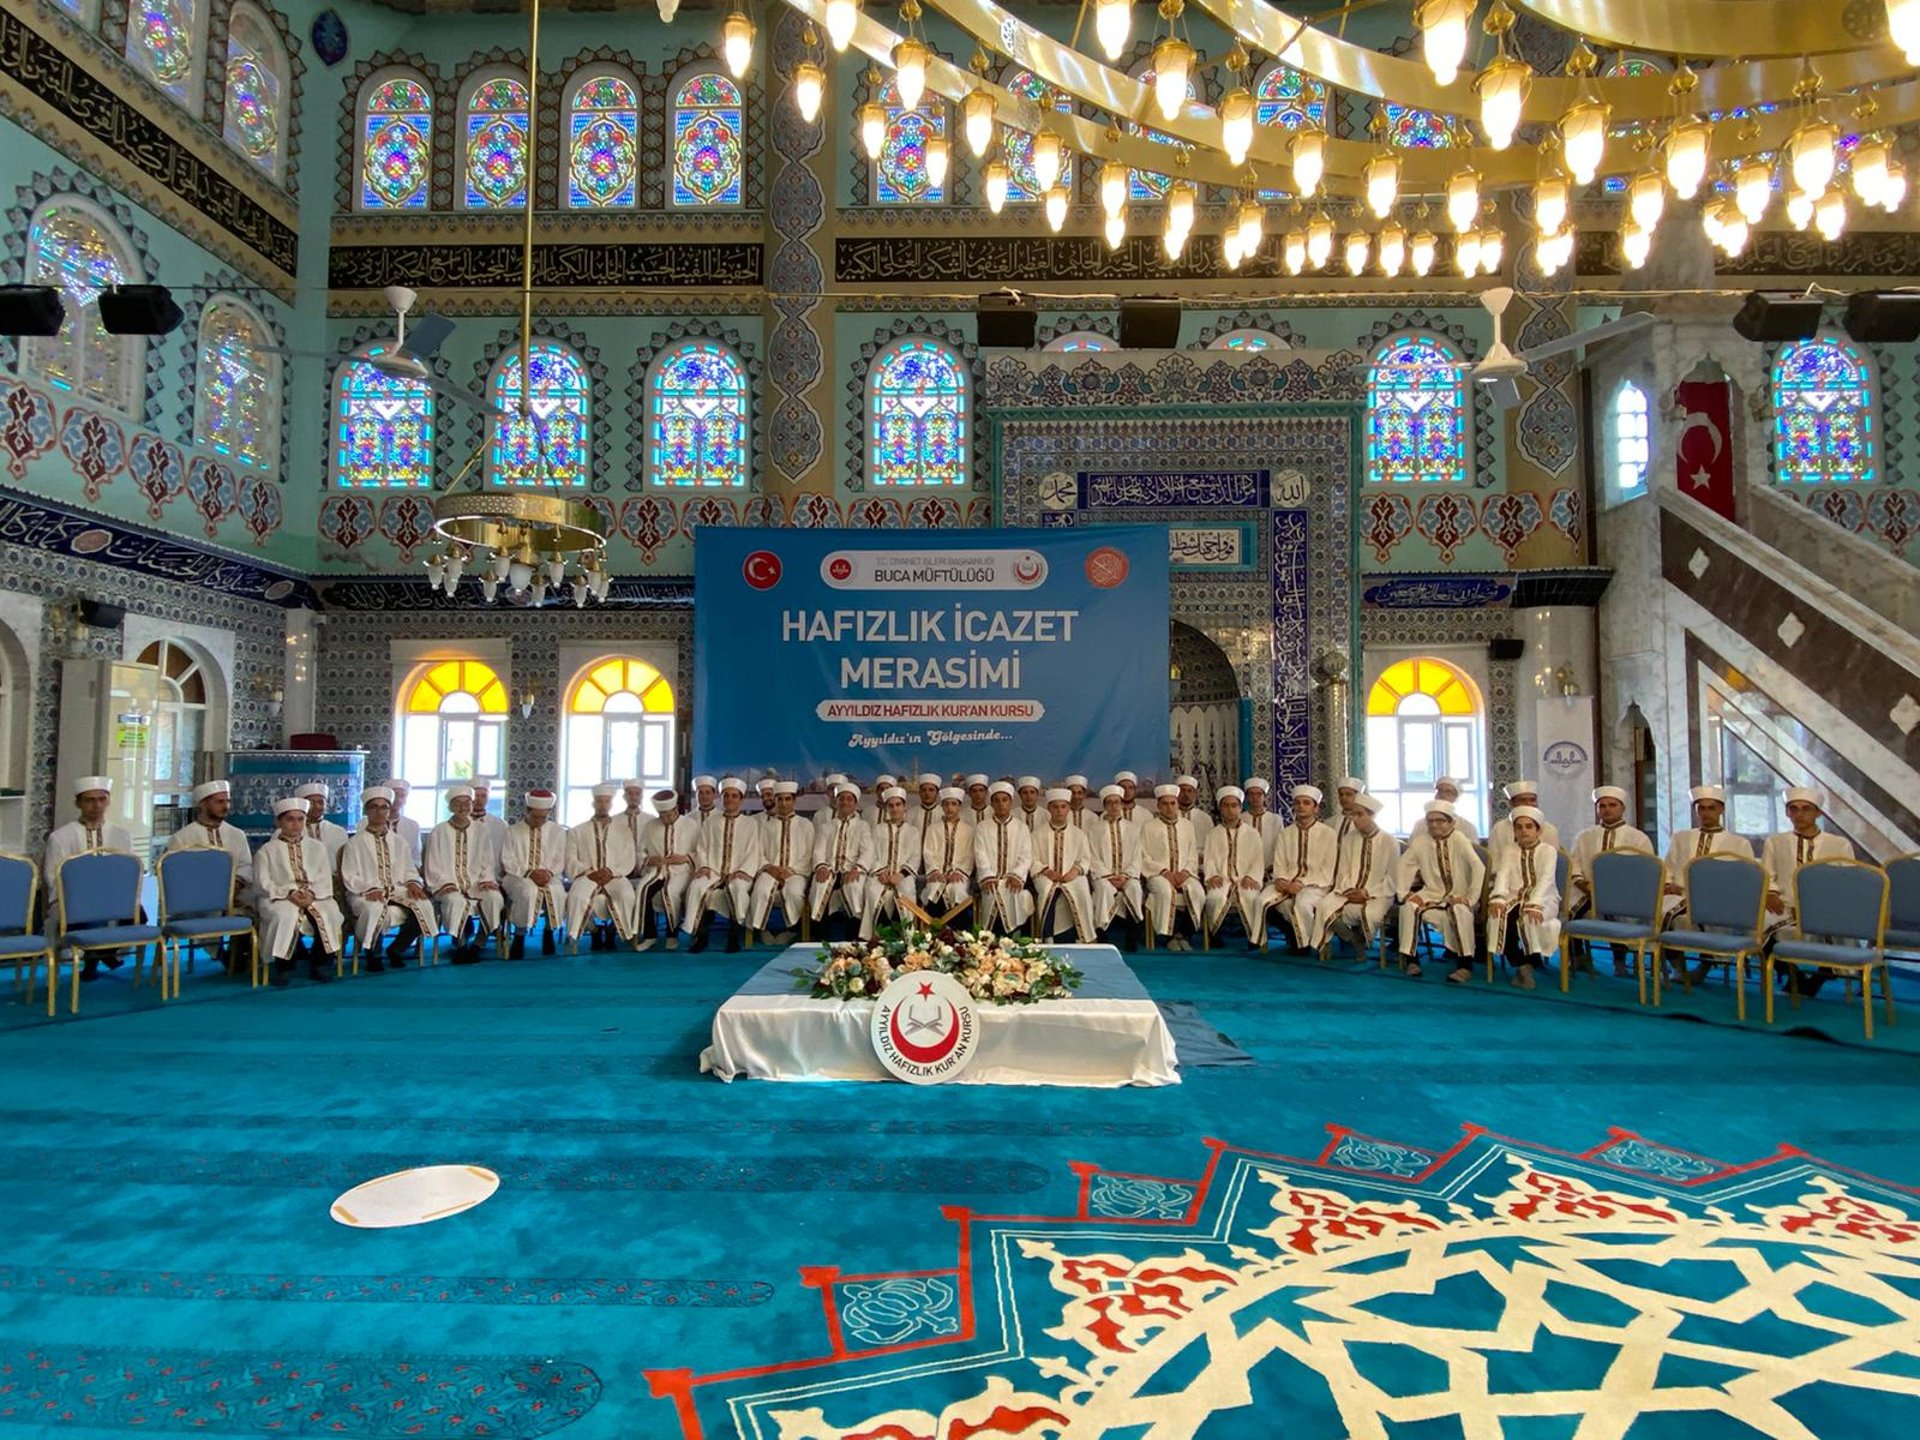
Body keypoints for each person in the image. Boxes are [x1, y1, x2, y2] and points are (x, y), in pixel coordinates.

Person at [1762, 785, 1856, 997]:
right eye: (1794, 809)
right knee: (1758, 923)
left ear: (1818, 813)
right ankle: (1795, 978)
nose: (1799, 814)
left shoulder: (1839, 844)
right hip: (1785, 906)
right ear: (1787, 812)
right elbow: (1767, 874)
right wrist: (1770, 893)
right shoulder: (1775, 842)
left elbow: (1850, 881)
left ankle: (1821, 976)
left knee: (1831, 925)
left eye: (1806, 809)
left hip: (1827, 908)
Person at [45, 775, 137, 979]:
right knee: (88, 913)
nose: (97, 805)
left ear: (108, 801)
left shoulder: (121, 835)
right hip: (72, 901)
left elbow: (128, 872)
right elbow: (53, 876)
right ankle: (99, 957)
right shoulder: (61, 837)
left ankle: (98, 955)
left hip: (112, 900)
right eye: (90, 800)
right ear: (78, 803)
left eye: (101, 799)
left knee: (138, 912)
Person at [340, 786, 436, 970]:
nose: (379, 811)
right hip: (363, 893)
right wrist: (369, 888)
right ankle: (373, 953)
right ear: (367, 810)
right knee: (374, 908)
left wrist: (414, 883)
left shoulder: (398, 841)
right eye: (374, 807)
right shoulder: (355, 843)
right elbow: (350, 875)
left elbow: (409, 869)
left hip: (397, 889)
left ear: (389, 810)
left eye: (384, 807)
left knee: (424, 905)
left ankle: (397, 949)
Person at [254, 797, 344, 986]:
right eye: (290, 819)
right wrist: (288, 893)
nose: (296, 824)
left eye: (300, 819)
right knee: (285, 915)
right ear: (278, 822)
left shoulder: (317, 848)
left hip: (314, 895)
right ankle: (284, 966)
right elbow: (262, 883)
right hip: (278, 898)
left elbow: (324, 878)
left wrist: (311, 894)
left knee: (330, 912)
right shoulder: (267, 850)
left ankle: (320, 963)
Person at [1395, 800, 1485, 981]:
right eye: (1430, 821)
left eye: (1440, 820)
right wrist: (1406, 893)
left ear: (1451, 822)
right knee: (1408, 907)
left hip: (1459, 894)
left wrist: (1470, 898)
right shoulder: (1421, 841)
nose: (1435, 825)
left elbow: (1478, 867)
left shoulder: (1459, 839)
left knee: (1459, 910)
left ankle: (1465, 965)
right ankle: (1412, 960)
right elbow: (1403, 864)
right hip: (1431, 894)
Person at [424, 786, 505, 963]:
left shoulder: (480, 830)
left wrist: (487, 879)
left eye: (466, 803)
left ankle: (478, 944)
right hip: (448, 884)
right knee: (456, 901)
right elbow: (432, 863)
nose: (462, 808)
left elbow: (487, 860)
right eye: (457, 804)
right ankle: (460, 946)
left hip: (475, 883)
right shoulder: (439, 831)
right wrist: (444, 883)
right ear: (450, 807)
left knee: (494, 898)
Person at [1317, 793, 1400, 960]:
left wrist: (1366, 893)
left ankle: (1362, 940)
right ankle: (1352, 939)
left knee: (1371, 913)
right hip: (1348, 890)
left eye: (1359, 814)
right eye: (1353, 814)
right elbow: (1343, 871)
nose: (1354, 819)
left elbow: (1392, 878)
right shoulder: (1349, 839)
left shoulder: (1389, 841)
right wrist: (1350, 891)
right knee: (1322, 907)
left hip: (1379, 894)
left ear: (1372, 815)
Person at [1487, 805, 1562, 990]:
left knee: (1529, 918)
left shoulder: (1548, 851)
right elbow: (1502, 876)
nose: (1524, 831)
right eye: (1519, 827)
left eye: (1529, 826)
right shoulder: (1509, 850)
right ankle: (1522, 965)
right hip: (1514, 897)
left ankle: (1530, 961)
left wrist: (1535, 903)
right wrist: (1497, 898)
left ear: (1539, 830)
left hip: (1545, 899)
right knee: (1499, 917)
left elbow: (1546, 879)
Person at [1662, 784, 1755, 925]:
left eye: (1711, 808)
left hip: (1719, 898)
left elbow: (1746, 879)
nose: (1706, 813)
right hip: (1680, 896)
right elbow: (1668, 867)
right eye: (1701, 808)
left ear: (1721, 810)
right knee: (1659, 912)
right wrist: (1668, 884)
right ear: (1696, 811)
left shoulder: (1739, 843)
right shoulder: (1681, 838)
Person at [1260, 784, 1338, 952]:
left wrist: (1301, 883)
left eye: (1306, 802)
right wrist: (1281, 880)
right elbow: (1279, 863)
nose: (1301, 806)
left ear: (1316, 808)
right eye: (1297, 803)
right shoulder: (1285, 833)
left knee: (1302, 904)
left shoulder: (1328, 834)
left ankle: (1307, 944)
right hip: (1286, 883)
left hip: (1316, 885)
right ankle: (1292, 935)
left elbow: (1328, 870)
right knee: (1261, 901)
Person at [565, 782, 638, 950]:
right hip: (587, 876)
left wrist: (611, 871)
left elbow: (629, 858)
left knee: (626, 896)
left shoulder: (623, 830)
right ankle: (593, 931)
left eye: (606, 801)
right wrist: (588, 872)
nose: (603, 805)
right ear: (593, 803)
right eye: (599, 801)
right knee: (577, 898)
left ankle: (613, 931)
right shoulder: (577, 830)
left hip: (615, 876)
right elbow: (570, 858)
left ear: (611, 804)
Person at [163, 779, 254, 912]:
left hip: (235, 895)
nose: (226, 807)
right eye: (219, 802)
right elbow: (176, 876)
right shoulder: (182, 837)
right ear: (203, 804)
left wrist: (235, 885)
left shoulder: (237, 834)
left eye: (227, 801)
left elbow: (246, 866)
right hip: (196, 899)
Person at [1567, 785, 1655, 918]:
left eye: (1612, 805)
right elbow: (1573, 864)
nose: (1607, 809)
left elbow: (1647, 871)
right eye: (1602, 806)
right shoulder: (1584, 836)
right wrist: (1583, 884)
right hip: (1586, 892)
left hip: (1625, 893)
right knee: (1568, 911)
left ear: (1623, 808)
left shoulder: (1638, 838)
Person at [499, 789, 567, 958]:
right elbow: (508, 859)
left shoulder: (557, 831)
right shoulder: (512, 831)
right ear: (527, 811)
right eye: (536, 817)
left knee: (557, 892)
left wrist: (549, 873)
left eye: (543, 817)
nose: (540, 821)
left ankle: (549, 932)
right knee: (527, 891)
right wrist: (529, 873)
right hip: (517, 876)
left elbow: (560, 859)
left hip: (549, 876)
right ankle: (519, 936)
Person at [635, 788, 700, 951]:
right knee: (643, 890)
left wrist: (685, 858)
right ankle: (650, 935)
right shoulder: (650, 826)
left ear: (676, 809)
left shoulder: (690, 825)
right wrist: (650, 860)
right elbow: (640, 851)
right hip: (657, 870)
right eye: (662, 816)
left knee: (670, 892)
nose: (665, 819)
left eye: (669, 815)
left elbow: (700, 850)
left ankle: (672, 934)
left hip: (682, 870)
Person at [1140, 784, 1204, 951]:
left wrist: (1185, 872)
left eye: (1172, 803)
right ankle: (1169, 935)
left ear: (1177, 804)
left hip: (1184, 874)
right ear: (1158, 806)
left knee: (1198, 892)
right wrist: (1164, 872)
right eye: (1165, 804)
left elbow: (1192, 854)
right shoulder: (1148, 827)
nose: (1169, 807)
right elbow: (1143, 856)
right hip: (1158, 875)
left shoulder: (1187, 826)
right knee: (1165, 891)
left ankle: (1183, 934)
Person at [1202, 786, 1267, 947]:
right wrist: (1212, 875)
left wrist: (1251, 877)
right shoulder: (1214, 834)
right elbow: (1209, 859)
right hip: (1222, 879)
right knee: (1214, 898)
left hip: (1245, 879)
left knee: (1251, 897)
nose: (1230, 810)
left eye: (1234, 805)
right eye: (1226, 806)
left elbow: (1258, 860)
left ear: (1240, 808)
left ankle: (1254, 937)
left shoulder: (1252, 834)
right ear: (1220, 808)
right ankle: (1214, 933)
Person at [749, 780, 813, 941]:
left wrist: (792, 870)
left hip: (796, 872)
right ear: (776, 801)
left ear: (794, 800)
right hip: (770, 870)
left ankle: (792, 929)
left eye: (787, 799)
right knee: (761, 890)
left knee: (794, 892)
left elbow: (809, 854)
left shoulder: (805, 825)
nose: (783, 803)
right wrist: (768, 867)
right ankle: (762, 929)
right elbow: (758, 851)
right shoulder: (766, 826)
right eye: (780, 799)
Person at [1033, 789, 1096, 943]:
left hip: (1072, 875)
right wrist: (1047, 871)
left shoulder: (1079, 834)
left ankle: (1080, 936)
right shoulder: (1037, 834)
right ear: (1049, 809)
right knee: (1047, 890)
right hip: (1045, 876)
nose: (1059, 811)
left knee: (1081, 889)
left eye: (1063, 806)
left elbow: (1085, 859)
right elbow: (1032, 859)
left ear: (1068, 808)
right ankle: (1047, 936)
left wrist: (1074, 871)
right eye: (1055, 807)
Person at [809, 782, 873, 931]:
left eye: (849, 799)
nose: (845, 802)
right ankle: (819, 936)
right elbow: (819, 850)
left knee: (854, 888)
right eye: (841, 799)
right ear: (836, 801)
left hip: (852, 871)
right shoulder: (827, 826)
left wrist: (857, 869)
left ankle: (854, 937)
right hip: (829, 870)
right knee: (819, 886)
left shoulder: (863, 826)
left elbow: (867, 851)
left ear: (855, 803)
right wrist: (821, 867)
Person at [974, 780, 1035, 936]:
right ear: (992, 803)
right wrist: (987, 875)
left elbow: (1026, 856)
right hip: (990, 881)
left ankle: (1015, 941)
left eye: (1005, 800)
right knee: (991, 894)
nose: (1001, 804)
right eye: (997, 800)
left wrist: (1017, 875)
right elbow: (980, 854)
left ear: (1011, 802)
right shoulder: (982, 827)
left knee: (1016, 896)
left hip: (1013, 880)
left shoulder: (1021, 827)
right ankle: (990, 943)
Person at [861, 787, 919, 940]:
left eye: (898, 804)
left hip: (903, 876)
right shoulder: (877, 830)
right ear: (887, 808)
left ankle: (906, 937)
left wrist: (901, 875)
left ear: (904, 807)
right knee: (874, 892)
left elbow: (915, 857)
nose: (895, 808)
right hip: (880, 875)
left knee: (905, 892)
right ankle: (876, 938)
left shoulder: (913, 831)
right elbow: (870, 854)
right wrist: (881, 872)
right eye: (891, 805)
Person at [1089, 785, 1144, 941]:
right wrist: (1108, 876)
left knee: (1134, 888)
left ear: (1121, 804)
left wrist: (1126, 876)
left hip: (1127, 876)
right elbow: (1093, 856)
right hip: (1103, 877)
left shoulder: (1133, 829)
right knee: (1103, 890)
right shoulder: (1094, 829)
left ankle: (1132, 934)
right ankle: (1102, 932)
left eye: (1117, 802)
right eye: (1110, 803)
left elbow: (1137, 856)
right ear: (1105, 806)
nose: (1114, 806)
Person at [919, 787, 975, 919]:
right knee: (933, 888)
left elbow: (970, 855)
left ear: (959, 806)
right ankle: (934, 931)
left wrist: (960, 871)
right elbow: (928, 853)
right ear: (942, 806)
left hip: (959, 875)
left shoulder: (968, 830)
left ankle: (957, 931)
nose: (950, 808)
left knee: (957, 890)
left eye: (953, 804)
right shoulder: (933, 828)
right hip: (937, 874)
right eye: (946, 804)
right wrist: (934, 870)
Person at [1488, 781, 1561, 860]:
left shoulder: (1550, 830)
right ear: (1511, 803)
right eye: (1522, 800)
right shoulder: (1499, 829)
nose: (1528, 804)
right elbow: (1494, 861)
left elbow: (1554, 862)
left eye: (1532, 800)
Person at [295, 783, 352, 871]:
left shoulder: (338, 831)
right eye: (311, 803)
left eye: (320, 802)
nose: (317, 806)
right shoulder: (290, 831)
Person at [385, 777, 422, 865]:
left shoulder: (413, 825)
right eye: (395, 795)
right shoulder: (365, 823)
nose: (398, 799)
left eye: (403, 795)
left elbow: (416, 857)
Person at [1431, 777, 1480, 843]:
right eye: (1440, 790)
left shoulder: (1468, 827)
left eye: (1448, 792)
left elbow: (1473, 851)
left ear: (1455, 797)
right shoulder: (1420, 825)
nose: (1443, 795)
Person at [1176, 774, 1213, 852]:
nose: (1186, 794)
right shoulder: (1171, 816)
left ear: (1195, 794)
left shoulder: (1205, 818)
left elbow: (1211, 846)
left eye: (1189, 791)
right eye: (1182, 790)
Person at [1244, 778, 1284, 850]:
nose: (1255, 797)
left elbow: (1280, 846)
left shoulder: (1275, 819)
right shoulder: (1241, 819)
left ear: (1265, 797)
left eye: (1259, 794)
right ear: (1246, 797)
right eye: (1251, 794)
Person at [912, 773, 944, 853]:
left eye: (931, 790)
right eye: (924, 790)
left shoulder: (943, 814)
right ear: (919, 792)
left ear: (937, 793)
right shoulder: (911, 813)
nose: (927, 793)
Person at [1331, 776, 1365, 847]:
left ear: (1358, 796)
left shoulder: (1364, 823)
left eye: (1348, 794)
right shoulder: (1330, 822)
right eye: (1341, 794)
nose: (1343, 798)